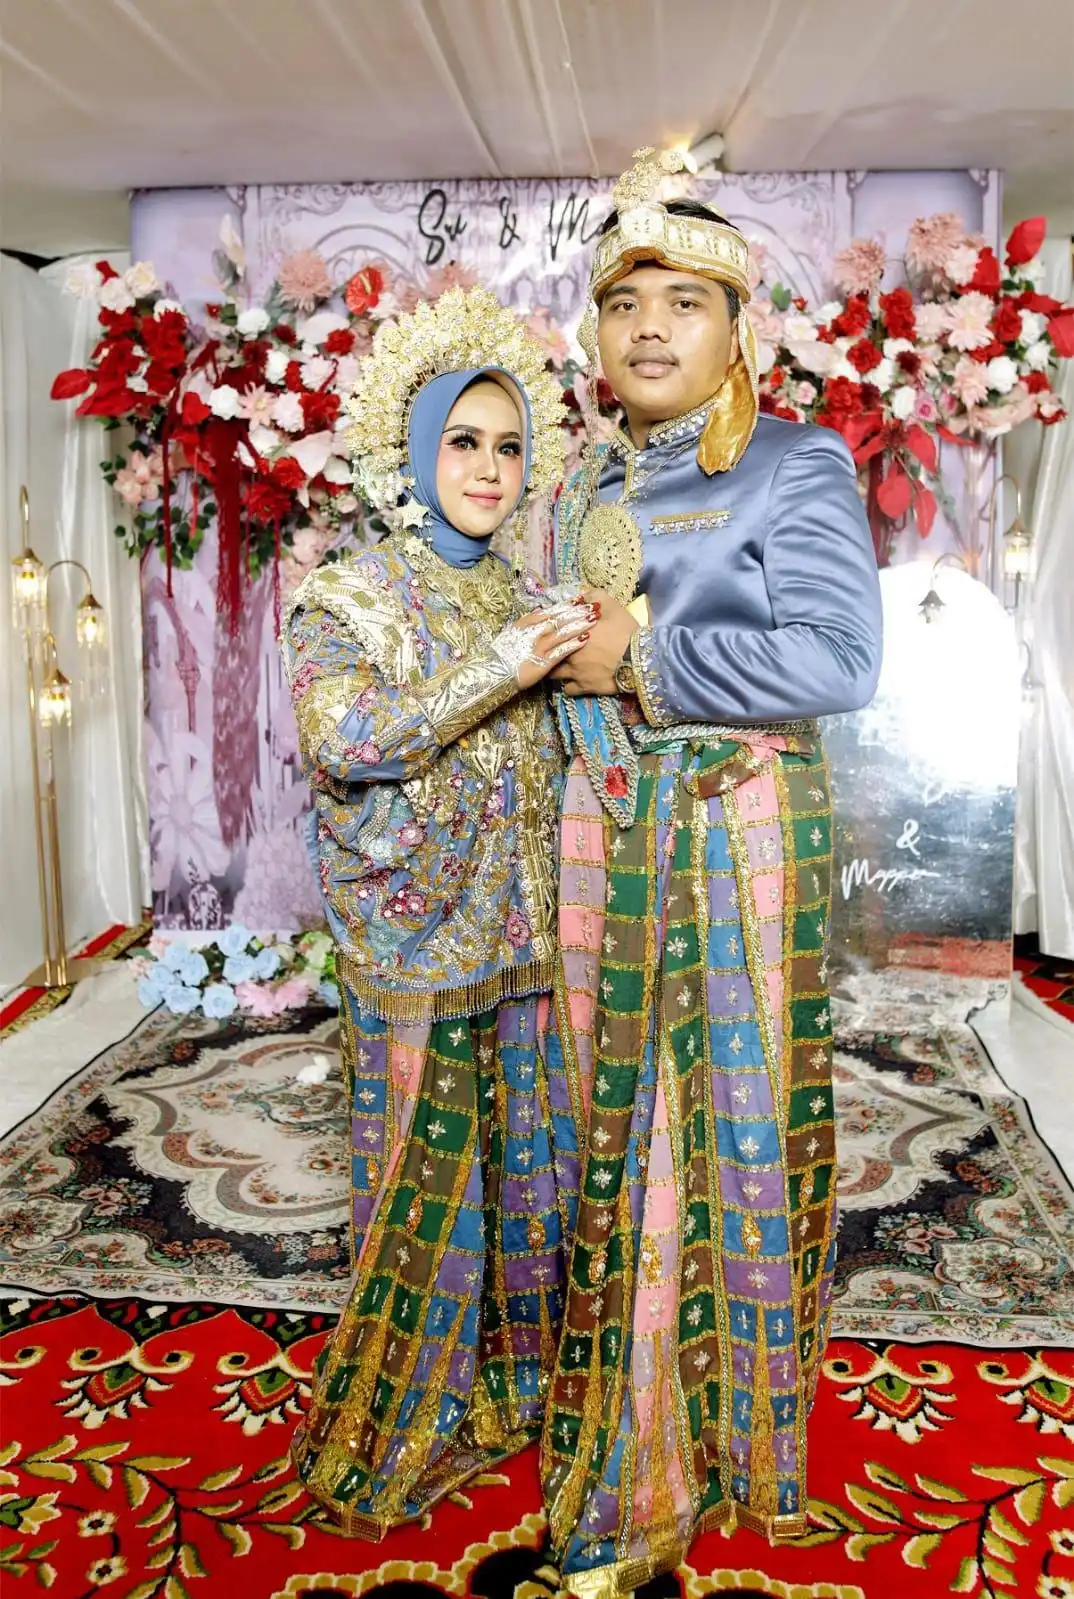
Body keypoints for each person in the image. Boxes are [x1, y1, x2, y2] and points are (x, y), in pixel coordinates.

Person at [537, 150, 883, 1595]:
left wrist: (648, 660)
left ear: (739, 327)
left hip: (734, 833)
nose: (651, 329)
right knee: (609, 1119)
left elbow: (841, 660)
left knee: (715, 1124)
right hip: (598, 832)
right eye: (626, 302)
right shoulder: (581, 477)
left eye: (684, 301)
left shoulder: (794, 461)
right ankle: (635, 1418)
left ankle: (683, 1458)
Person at [282, 287, 592, 1536]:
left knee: (531, 1167)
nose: (489, 468)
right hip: (410, 936)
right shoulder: (346, 596)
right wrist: (502, 669)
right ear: (411, 451)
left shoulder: (526, 591)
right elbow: (346, 738)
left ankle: (516, 1387)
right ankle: (406, 1403)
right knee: (424, 1172)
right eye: (463, 440)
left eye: (509, 445)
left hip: (525, 930)